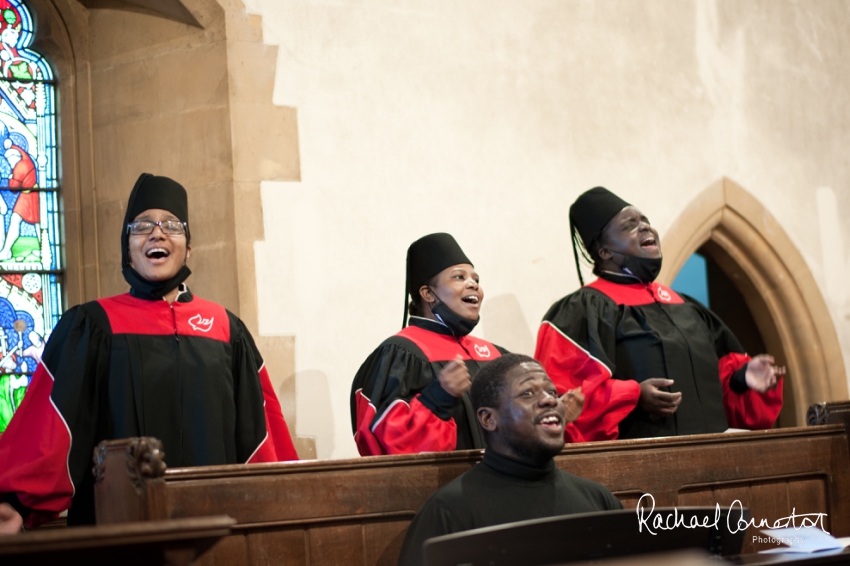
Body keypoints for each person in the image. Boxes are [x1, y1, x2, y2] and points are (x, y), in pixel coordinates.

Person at [0, 173, 298, 533]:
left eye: (171, 225)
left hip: (216, 532)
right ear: (127, 247)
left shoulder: (226, 330)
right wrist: (16, 503)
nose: (157, 233)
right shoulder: (93, 327)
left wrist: (286, 503)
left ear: (189, 247)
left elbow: (261, 441)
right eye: (142, 226)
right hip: (119, 536)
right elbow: (51, 430)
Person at [535, 186, 784, 442]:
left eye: (646, 221)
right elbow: (563, 402)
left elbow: (718, 388)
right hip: (638, 467)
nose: (645, 227)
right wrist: (633, 395)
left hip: (714, 457)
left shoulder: (686, 306)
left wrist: (742, 379)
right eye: (630, 225)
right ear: (605, 252)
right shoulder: (582, 310)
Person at [350, 232, 585, 456]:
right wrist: (437, 399)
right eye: (459, 277)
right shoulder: (401, 354)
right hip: (448, 492)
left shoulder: (495, 354)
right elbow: (383, 443)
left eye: (476, 279)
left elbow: (516, 432)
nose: (473, 285)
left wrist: (556, 415)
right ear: (428, 293)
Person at [396, 353, 621, 566]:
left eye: (551, 392)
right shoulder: (448, 511)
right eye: (528, 393)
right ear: (488, 419)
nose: (549, 400)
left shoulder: (599, 500)